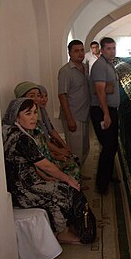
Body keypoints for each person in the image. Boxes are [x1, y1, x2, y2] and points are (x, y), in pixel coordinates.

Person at [2, 97, 88, 244]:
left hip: (25, 182)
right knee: (66, 190)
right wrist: (67, 179)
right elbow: (45, 165)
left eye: (35, 112)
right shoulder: (20, 138)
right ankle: (64, 232)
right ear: (16, 115)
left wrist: (50, 178)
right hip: (22, 189)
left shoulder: (13, 131)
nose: (34, 117)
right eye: (28, 113)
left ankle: (62, 229)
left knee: (58, 187)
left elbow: (35, 165)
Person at [14, 81, 81, 181]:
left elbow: (47, 137)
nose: (39, 99)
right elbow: (36, 156)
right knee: (69, 169)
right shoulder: (22, 127)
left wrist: (62, 148)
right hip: (40, 166)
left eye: (39, 95)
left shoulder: (39, 115)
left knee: (72, 160)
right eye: (32, 96)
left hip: (46, 157)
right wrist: (56, 156)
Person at [89, 37, 120, 194]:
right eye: (108, 48)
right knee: (108, 147)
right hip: (102, 111)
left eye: (114, 48)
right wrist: (106, 114)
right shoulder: (100, 66)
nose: (112, 51)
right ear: (101, 50)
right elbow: (100, 91)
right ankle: (102, 185)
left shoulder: (109, 65)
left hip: (109, 110)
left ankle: (107, 177)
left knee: (112, 146)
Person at [58, 39, 91, 167]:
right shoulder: (65, 71)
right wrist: (69, 119)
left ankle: (79, 176)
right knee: (75, 150)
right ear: (69, 53)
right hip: (73, 116)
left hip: (84, 114)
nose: (80, 53)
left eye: (82, 50)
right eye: (76, 51)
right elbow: (62, 95)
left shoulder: (85, 68)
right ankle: (75, 181)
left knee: (84, 148)